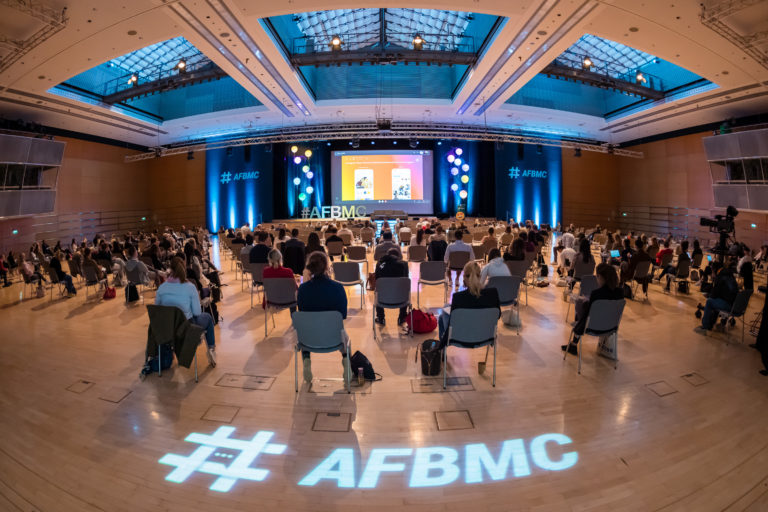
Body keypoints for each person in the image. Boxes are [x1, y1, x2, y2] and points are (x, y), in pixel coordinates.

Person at [296, 251, 351, 384]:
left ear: (309, 268)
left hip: (309, 338)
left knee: (305, 331)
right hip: (334, 337)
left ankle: (306, 359)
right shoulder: (338, 288)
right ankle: (346, 360)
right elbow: (342, 315)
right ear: (327, 267)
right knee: (346, 339)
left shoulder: (302, 289)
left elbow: (302, 312)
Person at [155, 257, 217, 366]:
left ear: (170, 270)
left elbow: (157, 310)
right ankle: (211, 350)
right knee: (207, 317)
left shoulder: (162, 288)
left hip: (168, 330)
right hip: (187, 330)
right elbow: (197, 312)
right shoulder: (190, 287)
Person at [562, 263, 623, 354]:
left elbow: (588, 314)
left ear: (601, 277)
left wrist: (585, 303)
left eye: (597, 276)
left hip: (592, 328)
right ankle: (573, 344)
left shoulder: (596, 293)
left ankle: (573, 344)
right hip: (611, 327)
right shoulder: (620, 292)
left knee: (581, 310)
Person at [438, 261, 500, 342]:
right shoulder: (493, 294)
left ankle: (442, 346)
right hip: (486, 336)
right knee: (443, 314)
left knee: (443, 313)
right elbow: (498, 315)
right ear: (480, 276)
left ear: (464, 277)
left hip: (460, 338)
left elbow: (452, 321)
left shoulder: (458, 297)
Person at [374, 248, 410, 329]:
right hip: (401, 299)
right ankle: (402, 317)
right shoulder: (404, 264)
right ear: (398, 256)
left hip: (383, 299)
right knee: (404, 289)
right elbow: (406, 279)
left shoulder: (379, 264)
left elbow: (377, 280)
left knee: (377, 291)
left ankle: (381, 318)